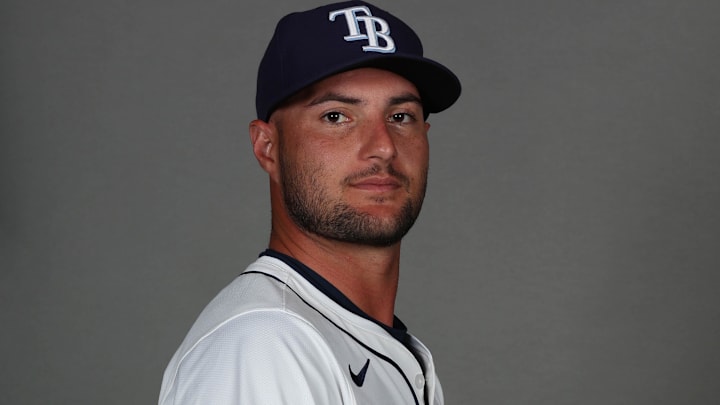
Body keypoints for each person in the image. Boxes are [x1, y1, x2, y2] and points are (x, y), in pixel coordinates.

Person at [158, 1, 461, 404]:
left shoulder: (364, 340)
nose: (383, 148)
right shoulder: (264, 345)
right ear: (268, 147)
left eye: (401, 116)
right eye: (336, 117)